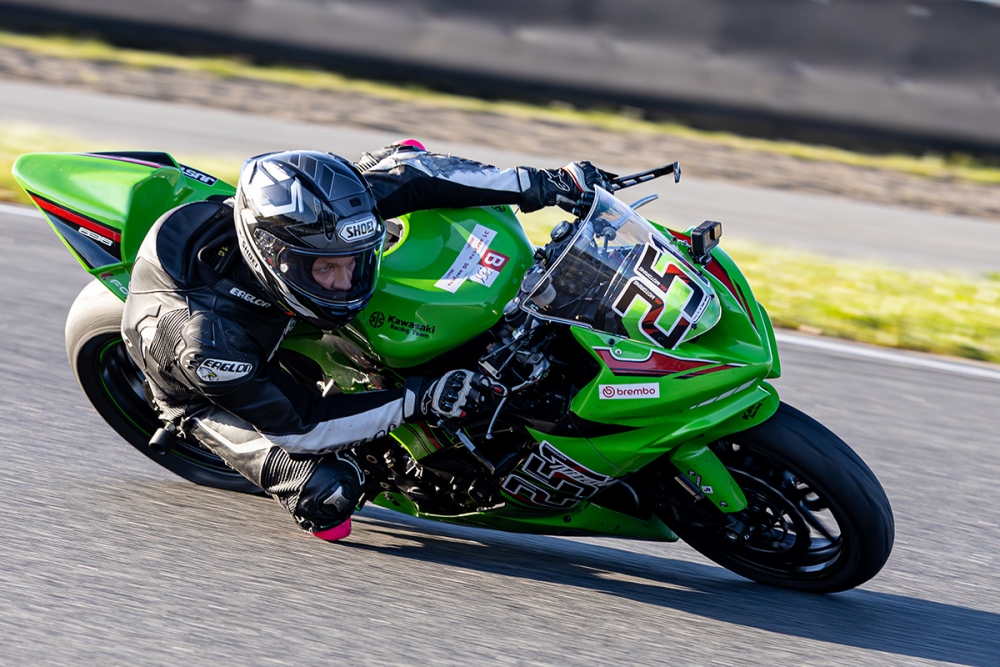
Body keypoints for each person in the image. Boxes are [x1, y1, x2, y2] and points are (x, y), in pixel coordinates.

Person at [120, 140, 613, 541]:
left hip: (260, 299)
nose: (346, 281)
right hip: (202, 388)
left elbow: (416, 176)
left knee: (402, 154)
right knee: (328, 495)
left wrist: (547, 183)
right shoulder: (208, 343)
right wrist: (420, 398)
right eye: (326, 269)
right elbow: (300, 426)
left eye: (354, 261)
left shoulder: (322, 224)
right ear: (274, 259)